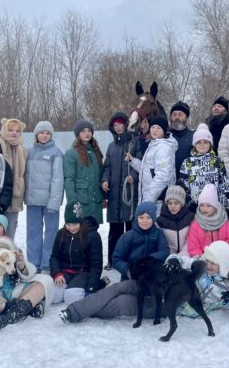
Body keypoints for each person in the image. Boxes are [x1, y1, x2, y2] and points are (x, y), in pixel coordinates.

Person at [59, 240, 229, 323]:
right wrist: (172, 261)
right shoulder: (198, 265)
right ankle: (74, 311)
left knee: (121, 304)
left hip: (164, 304)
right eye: (206, 260)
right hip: (156, 284)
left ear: (222, 264)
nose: (207, 264)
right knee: (120, 287)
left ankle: (84, 310)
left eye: (212, 263)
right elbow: (181, 258)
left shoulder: (225, 289)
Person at [187, 184, 229, 287]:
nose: (204, 208)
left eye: (208, 205)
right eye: (202, 205)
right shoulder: (196, 224)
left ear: (215, 206)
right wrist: (206, 259)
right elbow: (193, 247)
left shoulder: (224, 221)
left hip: (224, 258)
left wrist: (224, 259)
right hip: (205, 260)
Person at [25, 120, 64, 273]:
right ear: (36, 134)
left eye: (48, 133)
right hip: (33, 201)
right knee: (33, 233)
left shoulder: (56, 153)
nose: (45, 136)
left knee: (51, 233)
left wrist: (54, 202)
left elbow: (58, 179)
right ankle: (34, 264)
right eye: (42, 132)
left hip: (49, 202)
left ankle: (48, 264)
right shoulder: (29, 152)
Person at [102, 112, 138, 270]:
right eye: (115, 125)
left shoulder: (134, 143)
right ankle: (112, 260)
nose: (118, 127)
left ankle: (130, 260)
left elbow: (140, 163)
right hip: (114, 195)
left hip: (129, 194)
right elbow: (107, 167)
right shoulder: (111, 146)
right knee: (115, 230)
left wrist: (133, 176)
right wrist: (105, 180)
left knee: (130, 229)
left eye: (120, 124)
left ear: (125, 124)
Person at [49, 201, 103, 305]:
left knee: (71, 297)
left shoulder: (93, 236)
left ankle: (100, 284)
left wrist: (92, 285)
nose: (71, 228)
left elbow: (96, 264)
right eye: (68, 224)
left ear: (81, 222)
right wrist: (57, 273)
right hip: (66, 272)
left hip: (83, 273)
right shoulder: (61, 234)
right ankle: (70, 287)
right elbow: (54, 257)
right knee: (54, 296)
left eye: (75, 224)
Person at [127, 116, 178, 210]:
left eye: (158, 128)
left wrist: (148, 200)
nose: (155, 130)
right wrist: (132, 160)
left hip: (157, 201)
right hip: (151, 198)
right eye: (153, 127)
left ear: (164, 131)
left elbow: (163, 176)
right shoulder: (154, 145)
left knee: (155, 224)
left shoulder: (163, 147)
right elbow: (147, 169)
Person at [179, 123, 229, 212]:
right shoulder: (187, 162)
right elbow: (183, 186)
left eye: (205, 142)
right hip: (193, 208)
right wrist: (189, 205)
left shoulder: (217, 161)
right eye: (199, 142)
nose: (202, 145)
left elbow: (224, 185)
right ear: (194, 144)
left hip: (214, 208)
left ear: (210, 144)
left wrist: (224, 207)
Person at [111, 202, 170, 280]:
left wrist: (148, 261)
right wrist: (128, 270)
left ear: (154, 218)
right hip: (131, 276)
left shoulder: (158, 234)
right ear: (136, 218)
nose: (145, 221)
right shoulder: (128, 236)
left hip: (152, 274)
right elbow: (116, 259)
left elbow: (164, 251)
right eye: (141, 217)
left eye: (148, 217)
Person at [64, 120, 104, 223]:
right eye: (83, 131)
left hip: (95, 202)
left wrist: (103, 197)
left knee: (93, 233)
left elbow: (100, 176)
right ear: (78, 134)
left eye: (89, 131)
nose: (87, 133)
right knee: (81, 233)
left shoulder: (96, 152)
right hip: (81, 202)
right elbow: (69, 179)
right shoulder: (71, 154)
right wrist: (72, 202)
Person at [0, 118, 28, 239]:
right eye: (10, 130)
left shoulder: (23, 150)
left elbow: (25, 173)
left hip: (15, 195)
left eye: (17, 131)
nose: (14, 133)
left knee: (10, 230)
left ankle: (8, 255)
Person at [156, 185, 194, 256]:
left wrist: (181, 256)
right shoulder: (160, 221)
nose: (173, 206)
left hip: (186, 256)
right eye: (170, 203)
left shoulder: (190, 217)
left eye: (176, 203)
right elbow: (163, 243)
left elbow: (190, 240)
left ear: (182, 203)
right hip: (168, 256)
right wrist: (172, 257)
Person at [169, 101, 194, 180]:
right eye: (174, 114)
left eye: (180, 114)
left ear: (187, 118)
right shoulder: (164, 136)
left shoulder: (194, 137)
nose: (176, 117)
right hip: (166, 184)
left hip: (188, 181)